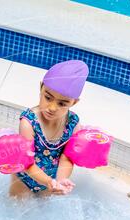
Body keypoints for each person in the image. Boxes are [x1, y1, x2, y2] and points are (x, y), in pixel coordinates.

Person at [9, 60, 87, 197]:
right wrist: (48, 182)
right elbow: (26, 162)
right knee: (16, 208)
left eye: (62, 103)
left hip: (50, 179)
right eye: (48, 97)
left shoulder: (73, 124)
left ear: (74, 102)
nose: (52, 107)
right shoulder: (29, 123)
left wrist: (60, 180)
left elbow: (66, 157)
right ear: (41, 87)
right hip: (24, 179)